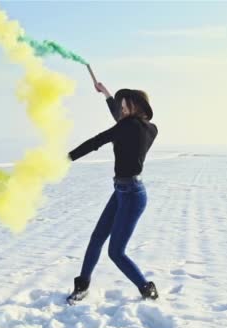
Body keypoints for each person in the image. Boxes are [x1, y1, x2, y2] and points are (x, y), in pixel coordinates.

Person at [65, 81, 159, 304]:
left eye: (125, 106)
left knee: (116, 252)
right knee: (96, 238)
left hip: (132, 196)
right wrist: (106, 94)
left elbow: (97, 140)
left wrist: (66, 158)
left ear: (136, 106)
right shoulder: (147, 128)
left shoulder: (128, 127)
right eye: (121, 106)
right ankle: (83, 284)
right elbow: (120, 119)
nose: (121, 109)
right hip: (122, 191)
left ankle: (147, 288)